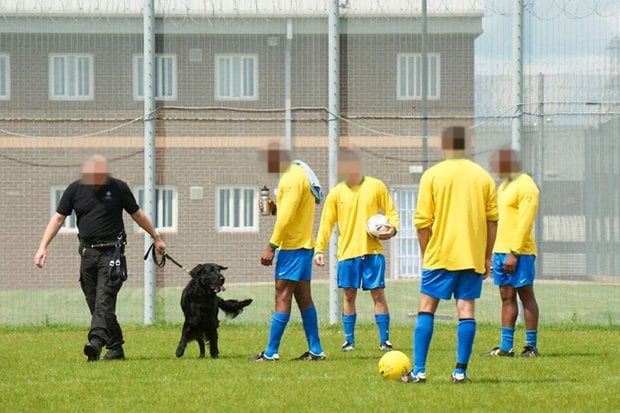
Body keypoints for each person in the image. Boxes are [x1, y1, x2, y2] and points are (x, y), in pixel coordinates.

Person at [34, 155, 165, 361]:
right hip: (87, 254)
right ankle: (115, 347)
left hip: (112, 254)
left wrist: (156, 237)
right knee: (95, 302)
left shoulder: (119, 188)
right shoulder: (74, 190)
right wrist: (43, 246)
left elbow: (137, 215)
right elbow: (58, 218)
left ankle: (95, 342)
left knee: (104, 300)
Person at [402, 126, 498, 384]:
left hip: (440, 255)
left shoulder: (432, 175)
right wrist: (487, 256)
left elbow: (422, 222)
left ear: (444, 145)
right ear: (467, 145)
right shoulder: (483, 177)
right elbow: (492, 221)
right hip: (471, 257)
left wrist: (426, 253)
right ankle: (459, 372)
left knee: (426, 309)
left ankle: (419, 371)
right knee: (466, 310)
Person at [314, 148, 399, 352]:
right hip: (347, 254)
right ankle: (349, 341)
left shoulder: (376, 186)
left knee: (378, 294)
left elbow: (391, 213)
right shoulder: (336, 192)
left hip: (372, 253)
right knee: (349, 296)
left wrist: (393, 229)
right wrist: (319, 249)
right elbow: (326, 223)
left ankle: (384, 340)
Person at [251, 147, 325, 361]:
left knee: (282, 295)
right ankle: (316, 350)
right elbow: (290, 211)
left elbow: (286, 219)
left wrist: (271, 247)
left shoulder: (291, 178)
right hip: (304, 245)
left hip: (292, 247)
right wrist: (273, 208)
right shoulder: (299, 174)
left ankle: (271, 352)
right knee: (303, 298)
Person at [480, 148, 540, 358]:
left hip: (519, 252)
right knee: (506, 297)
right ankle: (506, 347)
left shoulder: (527, 186)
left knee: (525, 294)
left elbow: (525, 222)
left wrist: (514, 252)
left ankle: (530, 346)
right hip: (500, 251)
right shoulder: (504, 186)